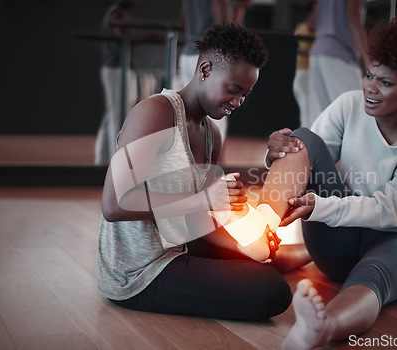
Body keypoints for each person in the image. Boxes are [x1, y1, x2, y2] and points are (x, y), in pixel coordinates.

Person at [262, 16, 397, 348]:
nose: (370, 88)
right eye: (368, 74)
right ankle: (259, 234)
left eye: (386, 83)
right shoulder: (349, 105)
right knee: (303, 137)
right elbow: (308, 155)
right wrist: (277, 152)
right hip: (340, 243)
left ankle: (320, 329)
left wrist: (319, 206)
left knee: (373, 274)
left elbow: (391, 210)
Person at [96, 23, 293, 321]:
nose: (238, 102)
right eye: (233, 90)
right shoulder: (155, 112)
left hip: (179, 246)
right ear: (205, 69)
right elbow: (114, 204)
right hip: (139, 271)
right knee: (272, 291)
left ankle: (279, 257)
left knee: (265, 261)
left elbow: (194, 220)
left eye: (245, 94)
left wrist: (242, 235)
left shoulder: (212, 132)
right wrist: (205, 199)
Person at [179, 0, 254, 144]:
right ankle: (207, 164)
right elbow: (225, 31)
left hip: (189, 54)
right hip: (211, 57)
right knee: (215, 120)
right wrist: (240, 6)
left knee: (191, 117)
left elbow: (184, 22)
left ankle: (192, 163)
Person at [95, 0, 158, 165]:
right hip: (117, 69)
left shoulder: (118, 12)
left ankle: (103, 162)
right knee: (119, 116)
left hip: (115, 69)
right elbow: (124, 37)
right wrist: (150, 36)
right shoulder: (117, 13)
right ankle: (116, 163)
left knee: (112, 116)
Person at [307, 0, 371, 125]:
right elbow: (353, 18)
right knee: (359, 114)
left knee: (319, 122)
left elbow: (311, 24)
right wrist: (369, 60)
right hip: (339, 53)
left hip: (318, 51)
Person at [293, 15, 315, 128]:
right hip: (305, 73)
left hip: (303, 74)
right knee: (308, 113)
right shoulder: (307, 26)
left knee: (307, 113)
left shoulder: (300, 26)